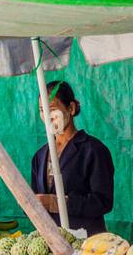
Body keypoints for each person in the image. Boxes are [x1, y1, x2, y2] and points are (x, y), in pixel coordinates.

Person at [31, 80, 114, 236]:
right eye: (42, 110)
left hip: (86, 242)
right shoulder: (40, 156)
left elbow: (103, 202)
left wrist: (55, 202)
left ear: (71, 108)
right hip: (51, 243)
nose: (47, 116)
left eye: (52, 109)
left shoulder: (94, 150)